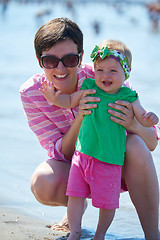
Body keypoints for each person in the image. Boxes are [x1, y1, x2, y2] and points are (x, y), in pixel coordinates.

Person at [19, 17, 160, 240]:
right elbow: (61, 153)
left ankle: (153, 234)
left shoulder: (105, 73)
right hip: (78, 167)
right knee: (43, 182)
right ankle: (76, 213)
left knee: (136, 145)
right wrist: (82, 116)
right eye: (50, 61)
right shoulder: (32, 93)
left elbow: (151, 143)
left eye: (70, 59)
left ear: (81, 56)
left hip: (114, 163)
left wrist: (133, 124)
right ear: (39, 60)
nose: (61, 68)